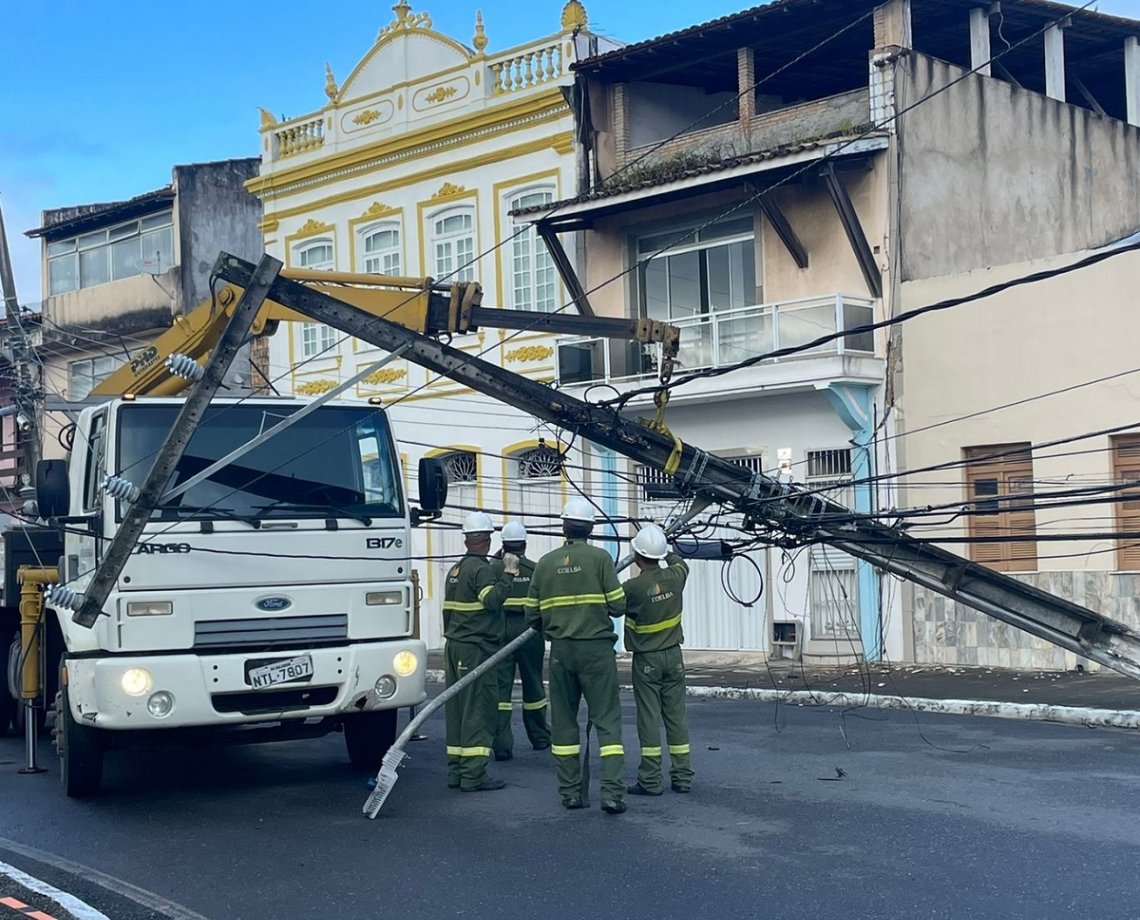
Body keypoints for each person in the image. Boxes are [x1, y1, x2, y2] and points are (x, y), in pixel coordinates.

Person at [525, 497, 628, 815]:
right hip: (596, 650)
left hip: (561, 653)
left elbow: (532, 614)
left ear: (564, 527)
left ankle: (571, 793)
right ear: (591, 529)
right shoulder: (600, 559)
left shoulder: (544, 563)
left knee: (564, 723)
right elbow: (619, 605)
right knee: (607, 722)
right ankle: (611, 794)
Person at [443, 511, 518, 792]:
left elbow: (449, 612)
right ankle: (473, 775)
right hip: (476, 648)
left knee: (457, 709)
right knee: (478, 710)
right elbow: (492, 600)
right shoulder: (481, 570)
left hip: (455, 646)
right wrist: (508, 575)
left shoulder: (456, 570)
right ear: (486, 539)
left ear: (467, 539)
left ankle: (456, 771)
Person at [622, 524, 693, 796]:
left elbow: (613, 605)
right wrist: (666, 543)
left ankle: (650, 780)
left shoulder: (632, 588)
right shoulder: (676, 576)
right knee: (676, 718)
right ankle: (683, 777)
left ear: (637, 556)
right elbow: (679, 562)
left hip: (647, 661)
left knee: (649, 719)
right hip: (674, 656)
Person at [491, 521, 551, 760]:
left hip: (500, 633)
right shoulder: (535, 569)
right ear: (525, 544)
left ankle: (502, 745)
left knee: (501, 691)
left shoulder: (493, 569)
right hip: (530, 633)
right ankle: (540, 737)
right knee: (534, 685)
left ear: (503, 545)